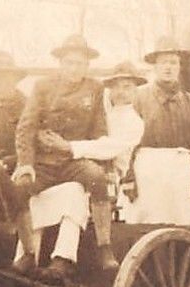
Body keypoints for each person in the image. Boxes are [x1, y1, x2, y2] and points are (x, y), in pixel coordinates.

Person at [12, 33, 113, 281]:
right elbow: (26, 126)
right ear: (60, 63)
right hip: (44, 163)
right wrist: (25, 164)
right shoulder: (43, 87)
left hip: (74, 162)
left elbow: (100, 130)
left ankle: (105, 247)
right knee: (19, 188)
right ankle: (27, 253)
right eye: (69, 62)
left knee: (97, 177)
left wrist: (106, 165)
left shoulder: (95, 88)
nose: (74, 68)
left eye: (80, 63)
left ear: (87, 65)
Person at [46, 60, 146, 216]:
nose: (120, 92)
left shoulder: (134, 123)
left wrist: (70, 146)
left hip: (113, 175)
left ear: (135, 90)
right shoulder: (103, 109)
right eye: (115, 87)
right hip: (84, 166)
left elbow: (106, 148)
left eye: (127, 87)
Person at [129, 36, 190, 224]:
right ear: (154, 67)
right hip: (147, 169)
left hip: (180, 170)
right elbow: (127, 143)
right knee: (146, 223)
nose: (168, 67)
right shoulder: (139, 97)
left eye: (173, 62)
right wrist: (128, 177)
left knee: (181, 222)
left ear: (179, 67)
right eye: (163, 62)